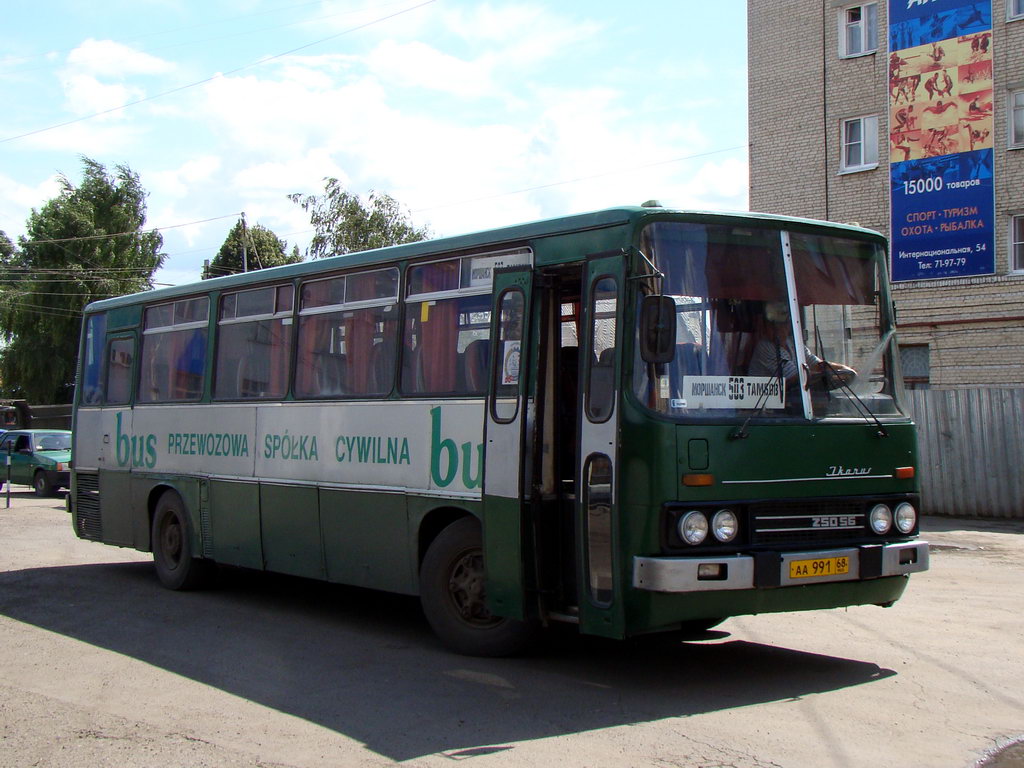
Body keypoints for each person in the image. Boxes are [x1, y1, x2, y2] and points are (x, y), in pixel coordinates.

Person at [748, 302, 856, 389]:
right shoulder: (765, 347)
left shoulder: (792, 343)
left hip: (793, 402)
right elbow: (798, 378)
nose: (777, 329)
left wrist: (845, 370)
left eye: (781, 324)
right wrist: (829, 375)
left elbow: (817, 364)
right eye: (772, 325)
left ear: (789, 324)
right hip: (767, 408)